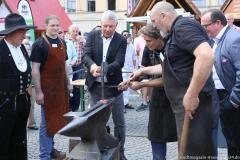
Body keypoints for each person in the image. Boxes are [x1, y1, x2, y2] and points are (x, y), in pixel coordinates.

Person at [131, 1, 218, 158]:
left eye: (154, 21)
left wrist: (192, 95)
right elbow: (170, 68)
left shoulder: (183, 27)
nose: (154, 26)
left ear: (163, 15)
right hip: (185, 108)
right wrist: (143, 71)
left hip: (197, 106)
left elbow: (206, 56)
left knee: (197, 154)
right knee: (189, 153)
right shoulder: (173, 33)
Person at [120, 23, 177, 160]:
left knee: (182, 134)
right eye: (145, 40)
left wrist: (140, 85)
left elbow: (167, 77)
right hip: (158, 97)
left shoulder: (171, 49)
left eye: (149, 40)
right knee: (155, 134)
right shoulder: (149, 48)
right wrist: (134, 78)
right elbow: (146, 69)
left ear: (159, 38)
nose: (146, 43)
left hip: (175, 97)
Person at [82, 10, 127, 160]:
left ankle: (120, 152)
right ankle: (98, 149)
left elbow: (119, 62)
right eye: (105, 26)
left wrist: (104, 69)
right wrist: (93, 66)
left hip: (114, 88)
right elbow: (86, 55)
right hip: (95, 87)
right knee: (96, 121)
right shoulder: (93, 36)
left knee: (119, 122)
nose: (108, 29)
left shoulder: (121, 40)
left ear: (116, 26)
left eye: (111, 26)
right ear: (100, 25)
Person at [201, 9, 240, 158]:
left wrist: (235, 100)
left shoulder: (233, 38)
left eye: (206, 25)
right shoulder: (217, 39)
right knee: (231, 140)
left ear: (218, 23)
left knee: (236, 140)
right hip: (222, 97)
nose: (204, 29)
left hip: (231, 98)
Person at [31, 15, 69, 160]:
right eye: (52, 25)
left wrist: (69, 83)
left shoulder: (62, 42)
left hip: (60, 89)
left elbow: (64, 64)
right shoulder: (39, 44)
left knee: (56, 121)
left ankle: (51, 150)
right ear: (46, 25)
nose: (55, 28)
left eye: (57, 25)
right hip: (46, 90)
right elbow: (35, 69)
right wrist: (39, 92)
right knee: (46, 124)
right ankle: (44, 155)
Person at [0, 13, 35, 159]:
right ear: (11, 32)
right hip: (4, 105)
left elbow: (25, 70)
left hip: (22, 103)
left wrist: (28, 85)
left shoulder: (21, 48)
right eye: (22, 32)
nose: (25, 35)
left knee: (20, 140)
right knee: (3, 141)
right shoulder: (1, 49)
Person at [68, 24, 86, 111]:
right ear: (69, 32)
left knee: (77, 88)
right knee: (69, 86)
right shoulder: (67, 41)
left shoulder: (82, 40)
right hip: (69, 68)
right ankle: (69, 106)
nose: (75, 33)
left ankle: (75, 107)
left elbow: (86, 50)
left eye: (76, 31)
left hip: (78, 67)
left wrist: (81, 41)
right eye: (73, 31)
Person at [22, 38, 39, 130]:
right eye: (26, 48)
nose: (27, 50)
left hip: (31, 85)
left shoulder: (33, 60)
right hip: (21, 86)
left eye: (29, 48)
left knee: (31, 104)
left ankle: (31, 123)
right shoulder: (20, 58)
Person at [121, 33, 136, 110]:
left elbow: (134, 58)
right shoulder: (120, 46)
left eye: (129, 37)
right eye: (125, 36)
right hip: (122, 69)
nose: (128, 38)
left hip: (130, 69)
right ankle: (121, 104)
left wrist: (134, 68)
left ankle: (126, 103)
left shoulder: (132, 47)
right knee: (122, 86)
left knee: (128, 87)